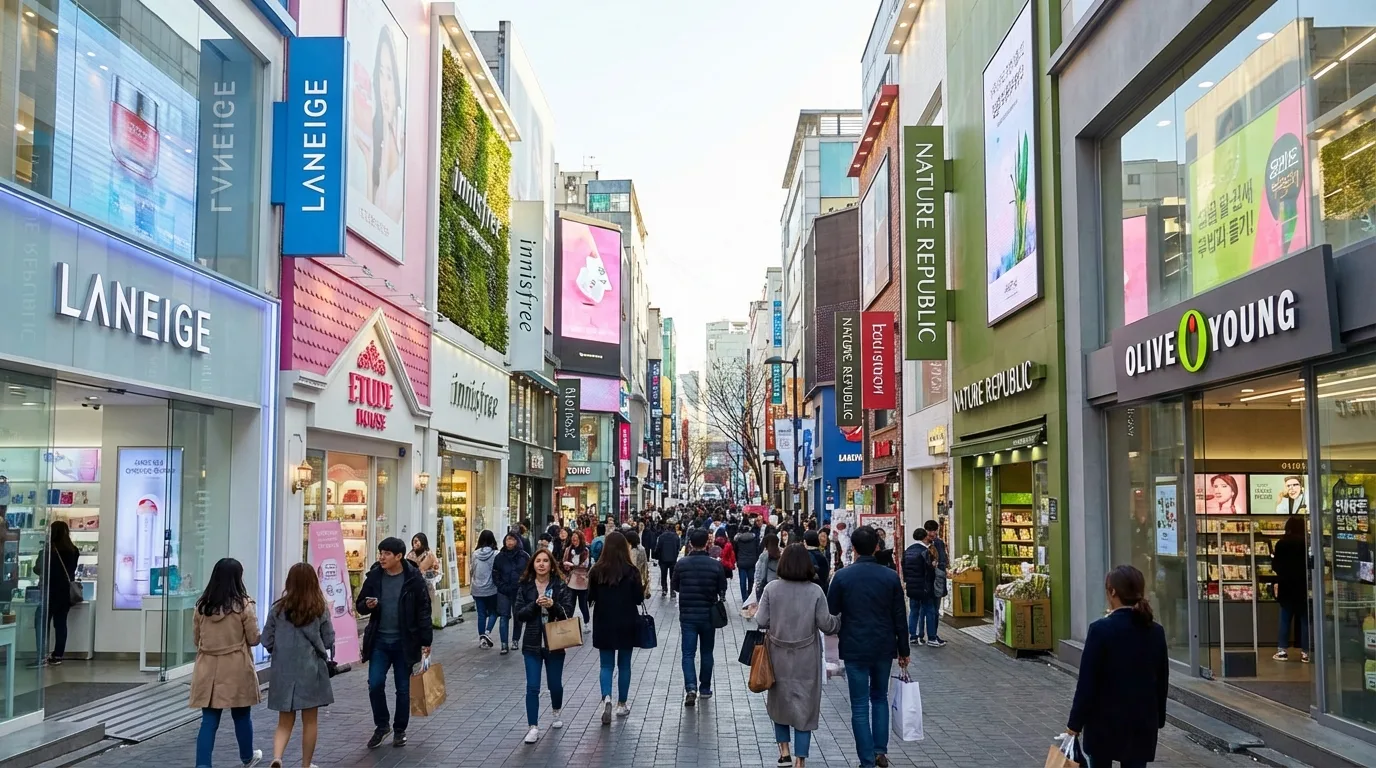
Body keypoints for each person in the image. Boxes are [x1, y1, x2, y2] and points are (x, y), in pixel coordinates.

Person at [1067, 565, 1168, 768]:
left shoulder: (1100, 630)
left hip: (1104, 724)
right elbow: (1161, 680)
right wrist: (1158, 718)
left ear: (1112, 591)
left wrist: (1074, 724)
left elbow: (1087, 684)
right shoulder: (1155, 631)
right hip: (1141, 724)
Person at [827, 526, 910, 768]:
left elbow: (832, 611)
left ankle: (866, 759)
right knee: (880, 698)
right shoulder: (890, 577)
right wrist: (903, 650)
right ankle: (879, 751)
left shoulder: (842, 577)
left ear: (852, 547)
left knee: (860, 704)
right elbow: (899, 617)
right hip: (884, 646)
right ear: (876, 546)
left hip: (854, 646)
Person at [756, 544, 840, 768]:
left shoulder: (771, 589)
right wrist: (839, 620)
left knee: (779, 701)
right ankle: (800, 759)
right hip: (806, 657)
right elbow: (826, 624)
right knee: (805, 706)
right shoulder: (815, 591)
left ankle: (783, 750)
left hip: (776, 655)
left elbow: (760, 620)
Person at [356, 537, 433, 749]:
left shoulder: (413, 579)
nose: (382, 557)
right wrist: (367, 605)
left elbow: (424, 610)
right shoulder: (374, 576)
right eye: (381, 552)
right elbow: (360, 605)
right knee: (375, 684)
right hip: (379, 641)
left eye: (387, 553)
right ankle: (382, 726)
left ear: (399, 556)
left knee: (402, 688)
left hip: (404, 642)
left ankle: (400, 729)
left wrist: (426, 641)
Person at [189, 558, 263, 768]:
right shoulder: (244, 606)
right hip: (236, 666)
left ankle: (203, 765)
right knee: (241, 715)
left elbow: (196, 640)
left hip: (207, 668)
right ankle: (247, 757)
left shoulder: (202, 607)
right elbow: (254, 638)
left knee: (209, 721)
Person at [263, 563, 335, 768]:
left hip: (283, 671)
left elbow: (266, 639)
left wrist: (278, 651)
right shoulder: (319, 608)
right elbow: (328, 640)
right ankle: (306, 765)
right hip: (310, 670)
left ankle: (277, 757)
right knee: (310, 721)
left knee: (284, 722)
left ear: (289, 582)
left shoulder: (277, 609)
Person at [515, 549, 575, 744]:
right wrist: (535, 604)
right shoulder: (525, 587)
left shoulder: (560, 585)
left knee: (554, 685)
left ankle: (556, 710)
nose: (541, 564)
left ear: (551, 565)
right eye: (538, 561)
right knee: (532, 687)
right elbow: (519, 614)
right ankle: (533, 727)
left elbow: (567, 612)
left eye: (545, 561)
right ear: (533, 564)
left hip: (555, 643)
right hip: (531, 644)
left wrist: (552, 605)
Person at [588, 531, 643, 725]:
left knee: (606, 664)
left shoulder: (596, 571)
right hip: (627, 620)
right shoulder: (632, 571)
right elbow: (638, 599)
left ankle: (606, 699)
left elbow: (590, 597)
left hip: (604, 620)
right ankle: (622, 704)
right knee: (624, 664)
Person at [672, 528, 728, 706]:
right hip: (708, 614)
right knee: (706, 652)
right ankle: (705, 687)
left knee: (688, 653)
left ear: (690, 544)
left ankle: (690, 687)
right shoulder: (715, 565)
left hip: (688, 615)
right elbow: (722, 587)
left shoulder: (681, 564)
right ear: (707, 544)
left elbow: (676, 586)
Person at [32, 521, 80, 666]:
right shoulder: (74, 550)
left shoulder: (48, 550)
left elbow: (37, 569)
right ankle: (58, 655)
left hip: (49, 591)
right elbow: (72, 570)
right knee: (60, 624)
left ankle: (41, 655)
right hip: (65, 593)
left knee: (41, 623)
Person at [1271, 515, 1309, 662]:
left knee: (1285, 618)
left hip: (1286, 585)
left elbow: (1276, 566)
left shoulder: (1281, 544)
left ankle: (1282, 651)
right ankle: (1306, 652)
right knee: (1305, 620)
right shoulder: (1306, 544)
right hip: (1303, 586)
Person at [903, 528, 942, 647]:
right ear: (925, 537)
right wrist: (933, 567)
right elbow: (929, 570)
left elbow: (904, 567)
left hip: (911, 585)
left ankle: (913, 636)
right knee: (929, 610)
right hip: (924, 586)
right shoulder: (925, 551)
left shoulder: (908, 551)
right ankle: (931, 637)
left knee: (914, 610)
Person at [494, 532, 531, 655]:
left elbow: (529, 572)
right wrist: (502, 586)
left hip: (519, 591)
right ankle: (504, 644)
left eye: (512, 540)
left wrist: (523, 585)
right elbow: (495, 574)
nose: (509, 542)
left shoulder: (524, 556)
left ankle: (515, 640)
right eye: (507, 540)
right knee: (504, 617)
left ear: (517, 541)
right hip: (503, 591)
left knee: (518, 616)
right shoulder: (500, 557)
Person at [470, 530, 500, 648]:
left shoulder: (475, 554)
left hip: (477, 588)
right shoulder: (496, 554)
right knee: (494, 612)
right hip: (491, 588)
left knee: (481, 614)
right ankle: (487, 632)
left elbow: (472, 570)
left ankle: (482, 638)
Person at [563, 531, 593, 629]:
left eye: (576, 539)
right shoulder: (568, 549)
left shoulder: (585, 550)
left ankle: (586, 622)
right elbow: (564, 561)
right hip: (572, 578)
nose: (574, 542)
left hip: (582, 579)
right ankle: (569, 623)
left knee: (582, 604)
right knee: (570, 603)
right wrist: (567, 566)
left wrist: (573, 565)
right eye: (573, 540)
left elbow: (585, 564)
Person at [406, 533, 440, 603]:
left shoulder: (428, 554)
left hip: (425, 585)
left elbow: (421, 569)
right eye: (413, 542)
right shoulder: (411, 553)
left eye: (416, 541)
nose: (414, 544)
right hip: (413, 585)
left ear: (422, 542)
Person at [734, 524, 762, 603]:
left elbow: (736, 551)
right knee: (751, 580)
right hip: (752, 562)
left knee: (742, 581)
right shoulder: (754, 539)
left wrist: (738, 560)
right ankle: (750, 595)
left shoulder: (738, 540)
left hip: (742, 562)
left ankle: (744, 598)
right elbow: (757, 550)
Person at [654, 523, 682, 597]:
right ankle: (672, 590)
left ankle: (664, 589)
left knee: (663, 575)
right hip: (673, 559)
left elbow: (658, 548)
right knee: (672, 575)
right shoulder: (676, 537)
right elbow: (679, 547)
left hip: (663, 559)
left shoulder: (661, 537)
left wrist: (657, 556)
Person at [754, 533, 782, 600]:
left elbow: (760, 573)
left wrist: (758, 586)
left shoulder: (764, 556)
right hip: (780, 585)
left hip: (767, 586)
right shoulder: (782, 554)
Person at [627, 530, 651, 599]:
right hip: (640, 576)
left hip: (632, 577)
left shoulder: (633, 551)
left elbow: (632, 564)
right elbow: (645, 565)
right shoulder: (642, 548)